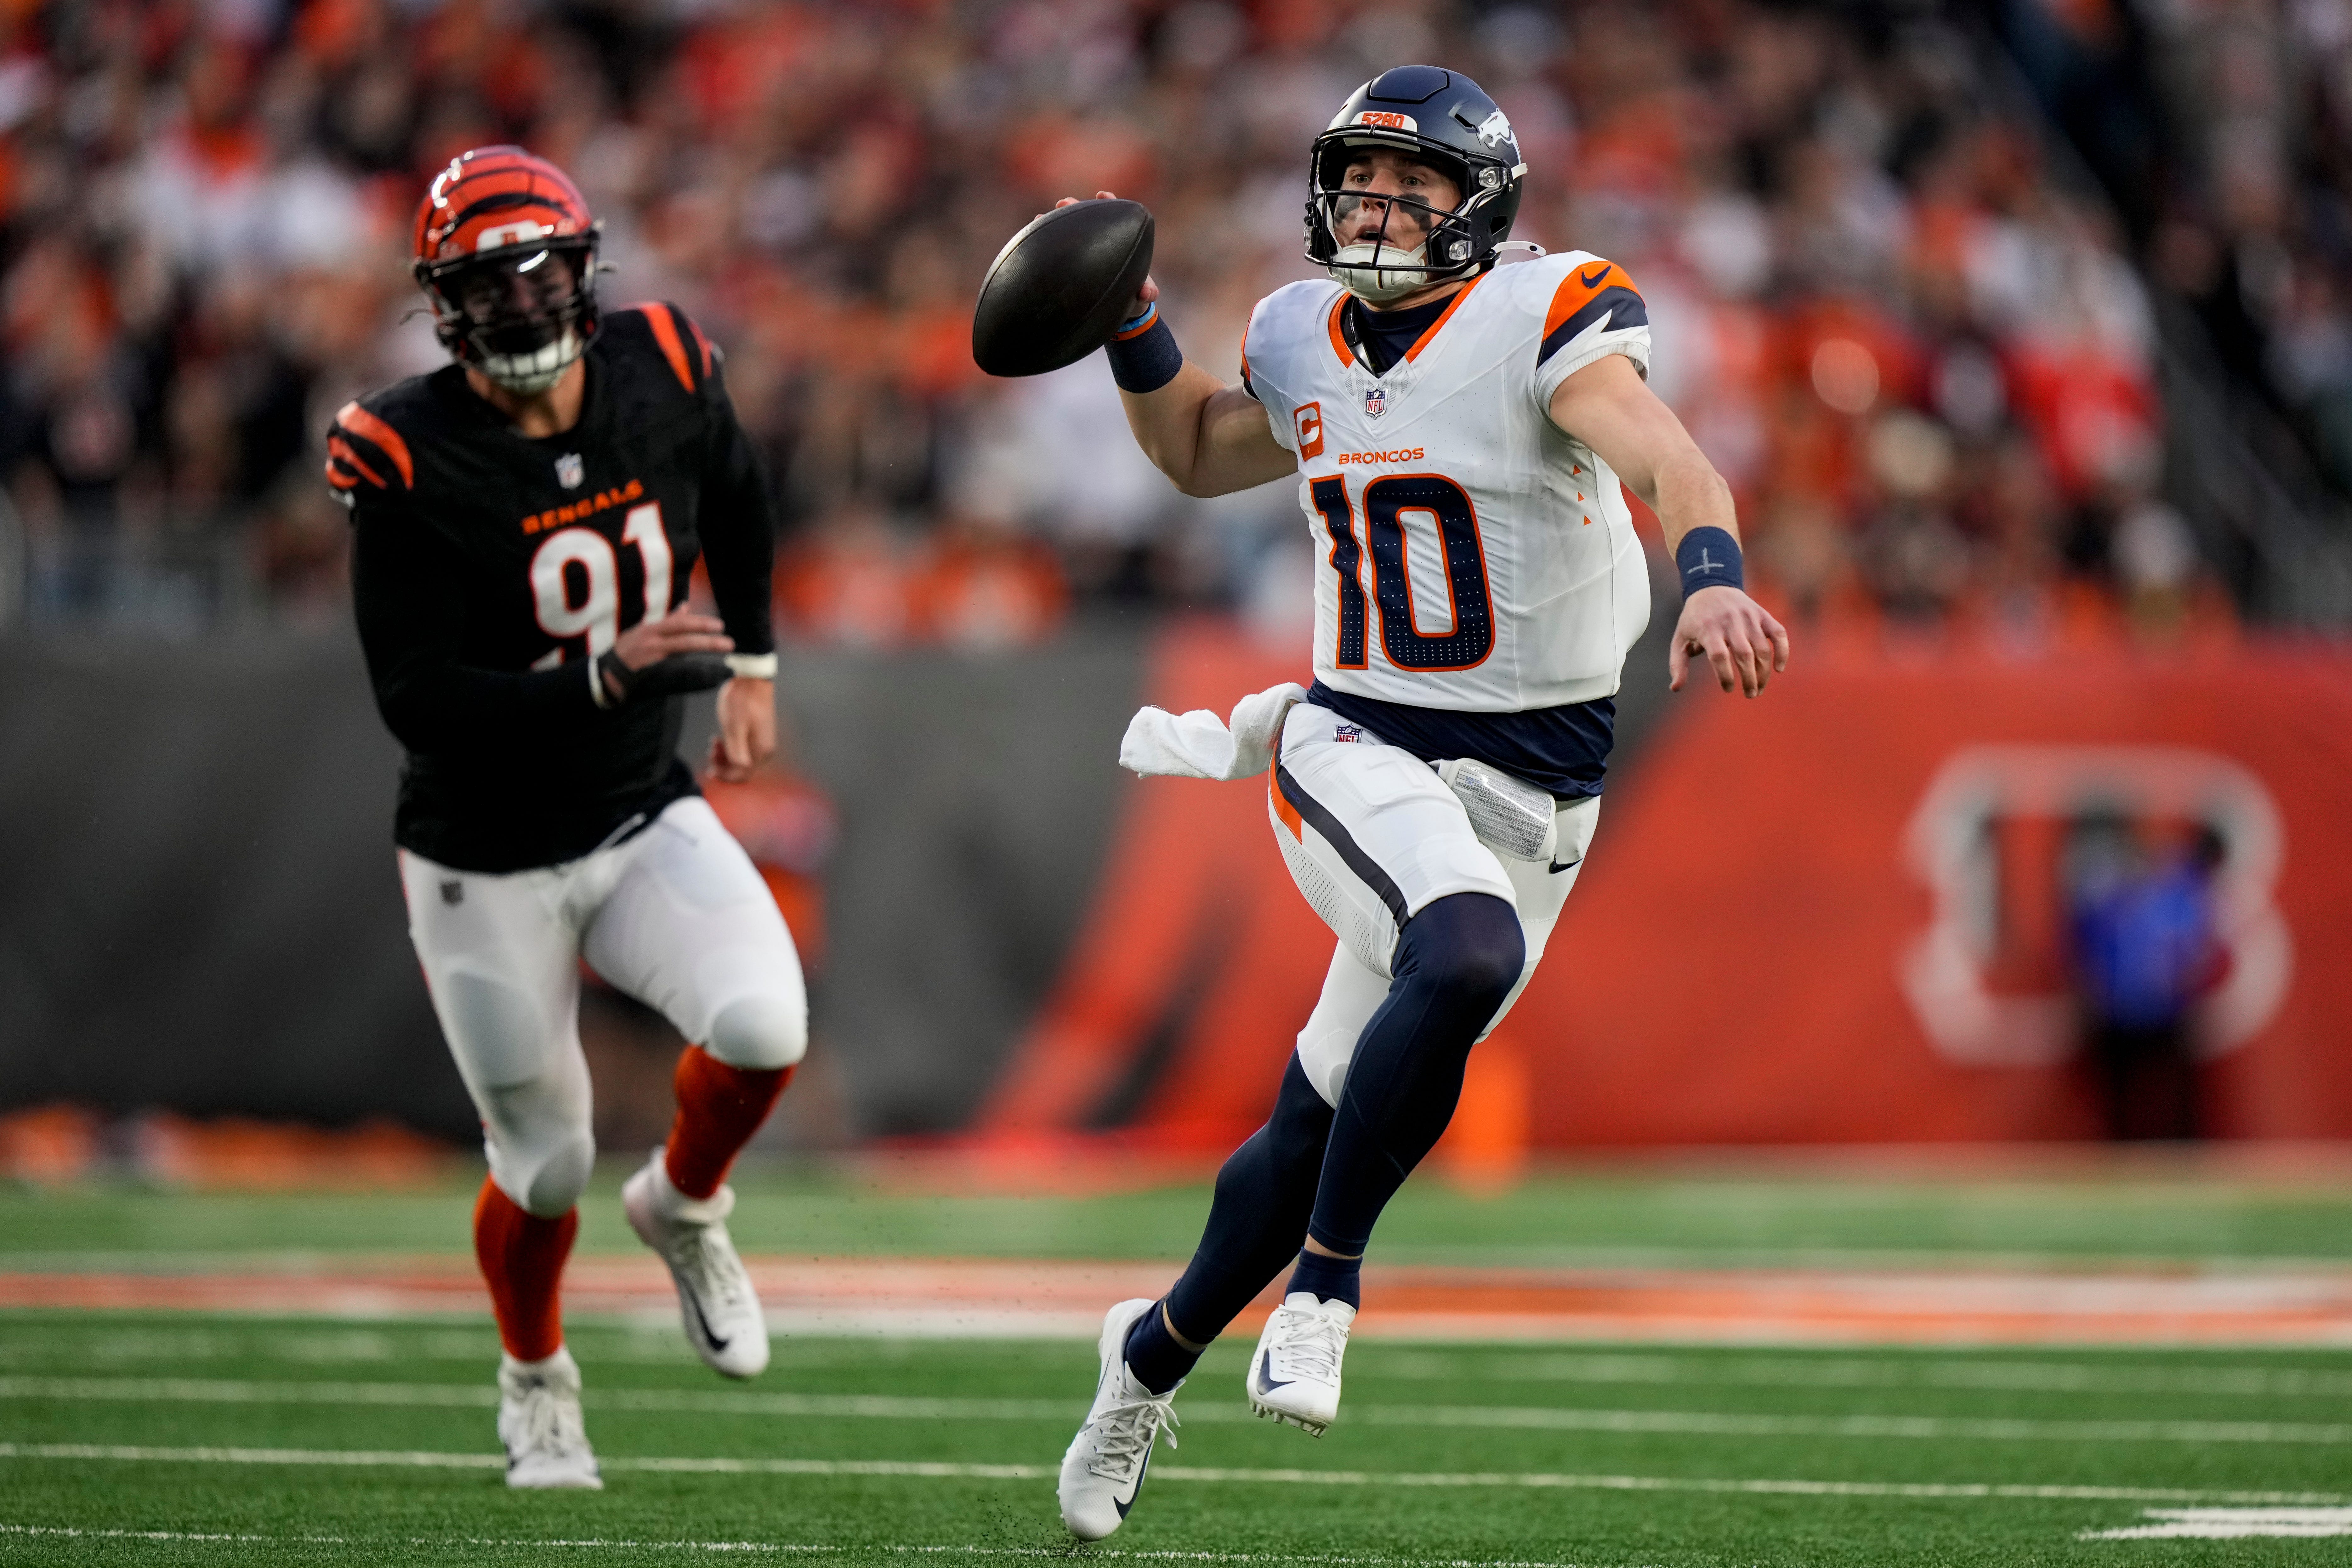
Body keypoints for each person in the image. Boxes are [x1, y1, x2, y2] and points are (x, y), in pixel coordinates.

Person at [1050, 67, 1788, 1539]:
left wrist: (1710, 581)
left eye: (1414, 188)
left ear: (1481, 210)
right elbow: (1200, 450)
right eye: (1359, 180)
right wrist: (1133, 331)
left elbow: (1670, 459)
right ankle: (1326, 1289)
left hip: (1542, 782)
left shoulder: (1543, 321)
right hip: (1354, 736)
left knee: (1316, 1120)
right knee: (1459, 950)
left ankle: (1142, 1363)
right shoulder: (1295, 332)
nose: (1376, 209)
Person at [330, 147, 808, 1489]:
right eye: (491, 284)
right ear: (444, 306)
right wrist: (602, 676)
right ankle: (535, 1380)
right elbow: (416, 698)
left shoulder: (665, 361)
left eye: (543, 271)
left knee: (765, 1024)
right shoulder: (407, 450)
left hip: (634, 808)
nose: (526, 304)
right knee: (542, 1165)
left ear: (586, 270)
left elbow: (738, 492)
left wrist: (756, 661)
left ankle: (684, 1204)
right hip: (482, 856)